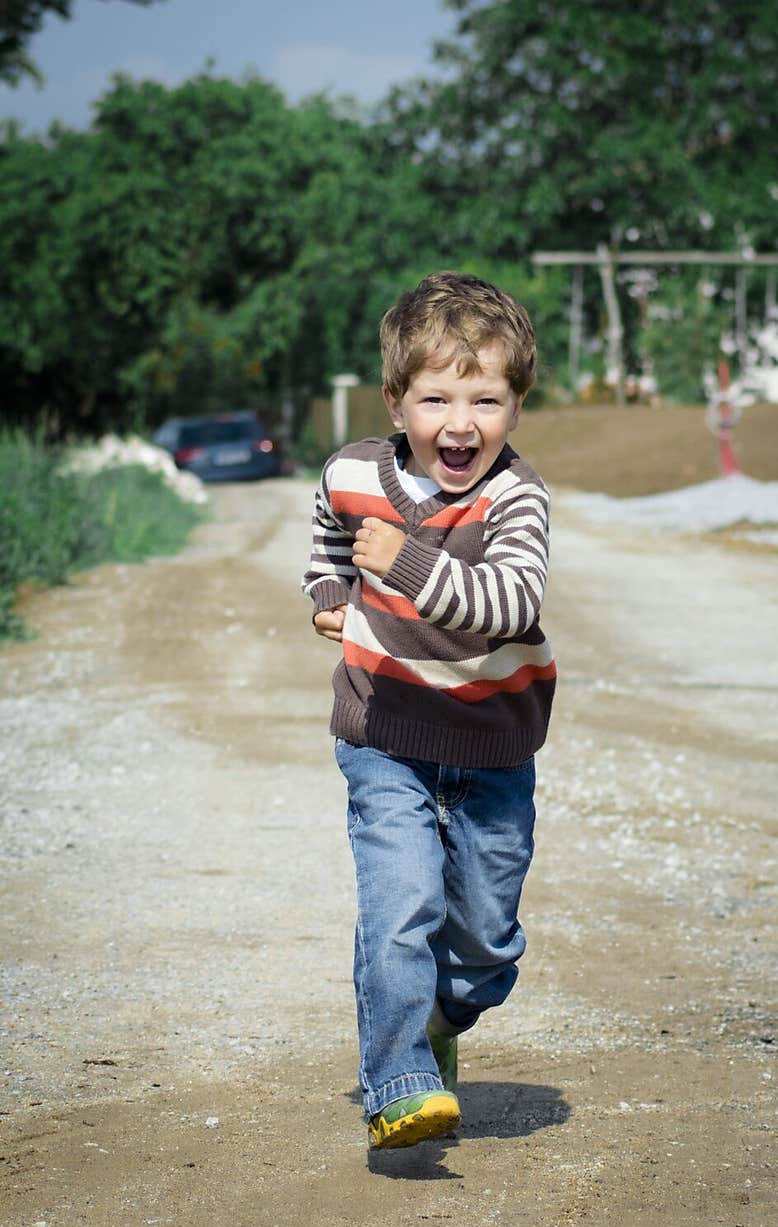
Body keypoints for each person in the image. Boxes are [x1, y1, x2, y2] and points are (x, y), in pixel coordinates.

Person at [302, 271, 556, 1150]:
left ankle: (441, 1020)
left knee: (486, 947)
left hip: (491, 746)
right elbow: (329, 534)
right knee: (399, 904)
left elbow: (511, 603)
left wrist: (404, 564)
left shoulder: (516, 499)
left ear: (516, 406)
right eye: (436, 397)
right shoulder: (352, 472)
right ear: (395, 401)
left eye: (485, 399)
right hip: (385, 734)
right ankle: (399, 1080)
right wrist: (330, 591)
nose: (460, 422)